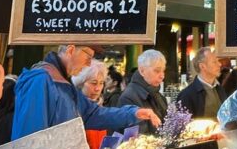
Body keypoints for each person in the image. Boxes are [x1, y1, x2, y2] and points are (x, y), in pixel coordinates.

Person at [12, 44, 161, 141]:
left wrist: (134, 113)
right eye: (88, 56)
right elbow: (28, 141)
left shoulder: (65, 84)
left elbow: (93, 114)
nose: (89, 63)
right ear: (70, 50)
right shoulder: (40, 79)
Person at [117, 49, 169, 135]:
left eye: (163, 70)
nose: (162, 76)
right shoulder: (129, 97)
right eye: (157, 70)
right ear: (142, 71)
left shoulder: (157, 95)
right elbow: (139, 139)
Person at [177, 47, 226, 120]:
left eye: (218, 61)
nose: (219, 64)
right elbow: (184, 126)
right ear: (202, 66)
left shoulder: (220, 89)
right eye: (214, 62)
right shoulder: (187, 95)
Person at [71, 61, 110, 149]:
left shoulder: (99, 107)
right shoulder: (73, 109)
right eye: (93, 83)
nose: (98, 88)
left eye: (101, 83)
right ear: (80, 83)